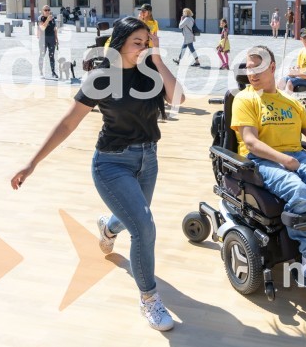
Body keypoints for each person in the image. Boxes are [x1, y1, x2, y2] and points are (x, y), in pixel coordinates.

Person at [10, 17, 185, 331]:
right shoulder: (101, 77)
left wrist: (157, 58)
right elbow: (68, 123)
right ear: (119, 43)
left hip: (148, 160)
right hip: (111, 164)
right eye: (138, 43)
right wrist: (32, 163)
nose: (143, 48)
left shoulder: (151, 74)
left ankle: (107, 226)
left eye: (147, 42)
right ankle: (149, 300)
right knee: (143, 227)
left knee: (133, 217)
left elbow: (178, 98)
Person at [231, 46, 306, 286]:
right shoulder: (244, 98)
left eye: (258, 67)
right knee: (300, 193)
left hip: (297, 155)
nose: (252, 73)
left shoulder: (290, 100)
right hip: (260, 161)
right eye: (248, 67)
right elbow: (250, 142)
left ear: (273, 68)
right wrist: (283, 159)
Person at [37, 5, 59, 78]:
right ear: (43, 11)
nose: (47, 11)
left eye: (48, 10)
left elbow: (55, 29)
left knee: (52, 56)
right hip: (43, 39)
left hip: (52, 38)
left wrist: (56, 38)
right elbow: (42, 28)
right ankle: (41, 72)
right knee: (42, 55)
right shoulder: (41, 18)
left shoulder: (52, 18)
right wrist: (47, 20)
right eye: (45, 10)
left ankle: (53, 72)